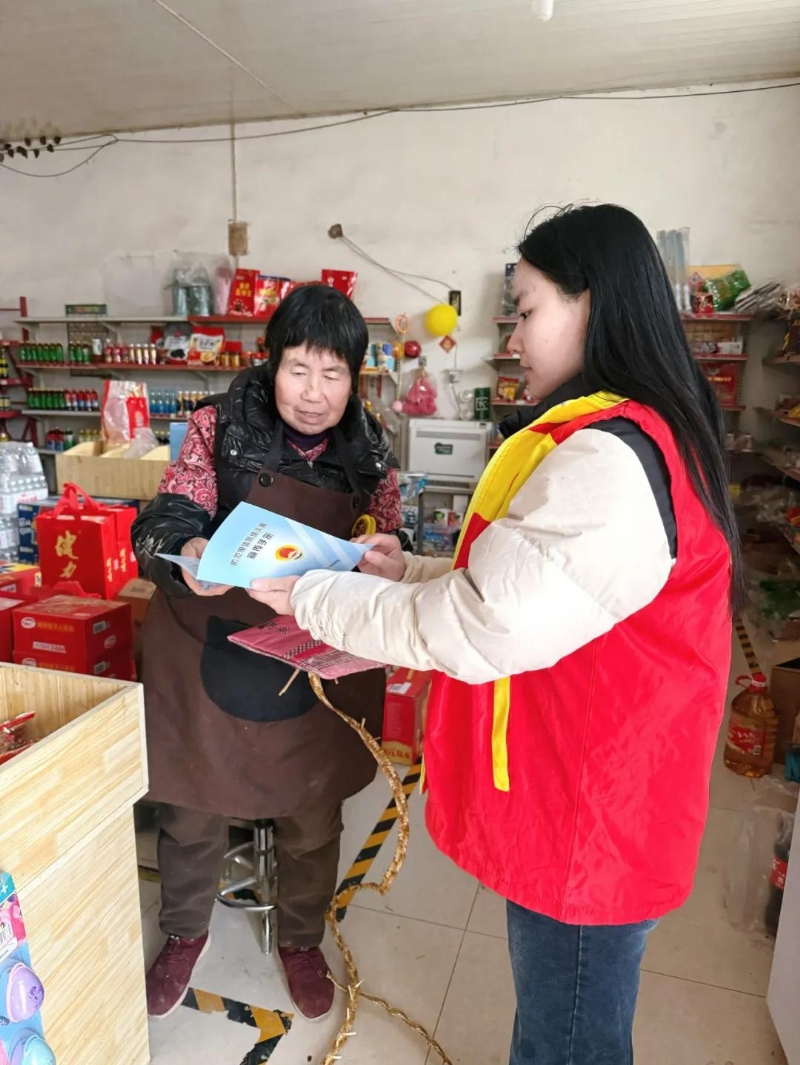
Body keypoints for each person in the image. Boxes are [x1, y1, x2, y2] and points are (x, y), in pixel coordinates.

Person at [248, 204, 739, 1064]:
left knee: (566, 1039)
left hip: (590, 812)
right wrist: (409, 573)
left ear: (594, 304)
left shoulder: (612, 461)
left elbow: (481, 623)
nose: (513, 337)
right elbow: (530, 583)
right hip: (597, 787)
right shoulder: (638, 432)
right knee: (561, 1022)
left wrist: (316, 598)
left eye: (527, 310)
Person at [131, 284, 403, 1022]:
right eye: (298, 370)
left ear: (354, 377)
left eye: (333, 374)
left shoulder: (369, 448)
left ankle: (302, 939)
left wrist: (391, 555)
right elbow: (166, 515)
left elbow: (388, 534)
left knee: (312, 818)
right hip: (207, 638)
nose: (314, 393)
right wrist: (183, 547)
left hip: (308, 653)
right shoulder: (217, 425)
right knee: (191, 809)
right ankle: (184, 932)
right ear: (271, 363)